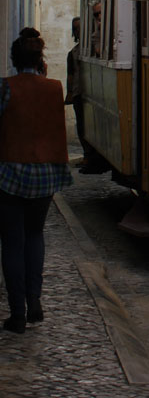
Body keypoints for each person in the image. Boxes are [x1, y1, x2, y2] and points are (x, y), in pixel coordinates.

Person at [0, 28, 72, 334]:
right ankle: (35, 302)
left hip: (10, 174)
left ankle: (17, 313)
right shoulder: (54, 88)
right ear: (40, 60)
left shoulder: (6, 88)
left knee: (12, 243)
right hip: (44, 174)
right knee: (35, 236)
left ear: (14, 60)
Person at [65, 16, 97, 173]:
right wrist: (70, 93)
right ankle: (87, 155)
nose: (78, 31)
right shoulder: (73, 53)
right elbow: (70, 75)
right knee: (82, 125)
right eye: (76, 28)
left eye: (80, 27)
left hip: (93, 93)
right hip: (79, 92)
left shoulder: (94, 48)